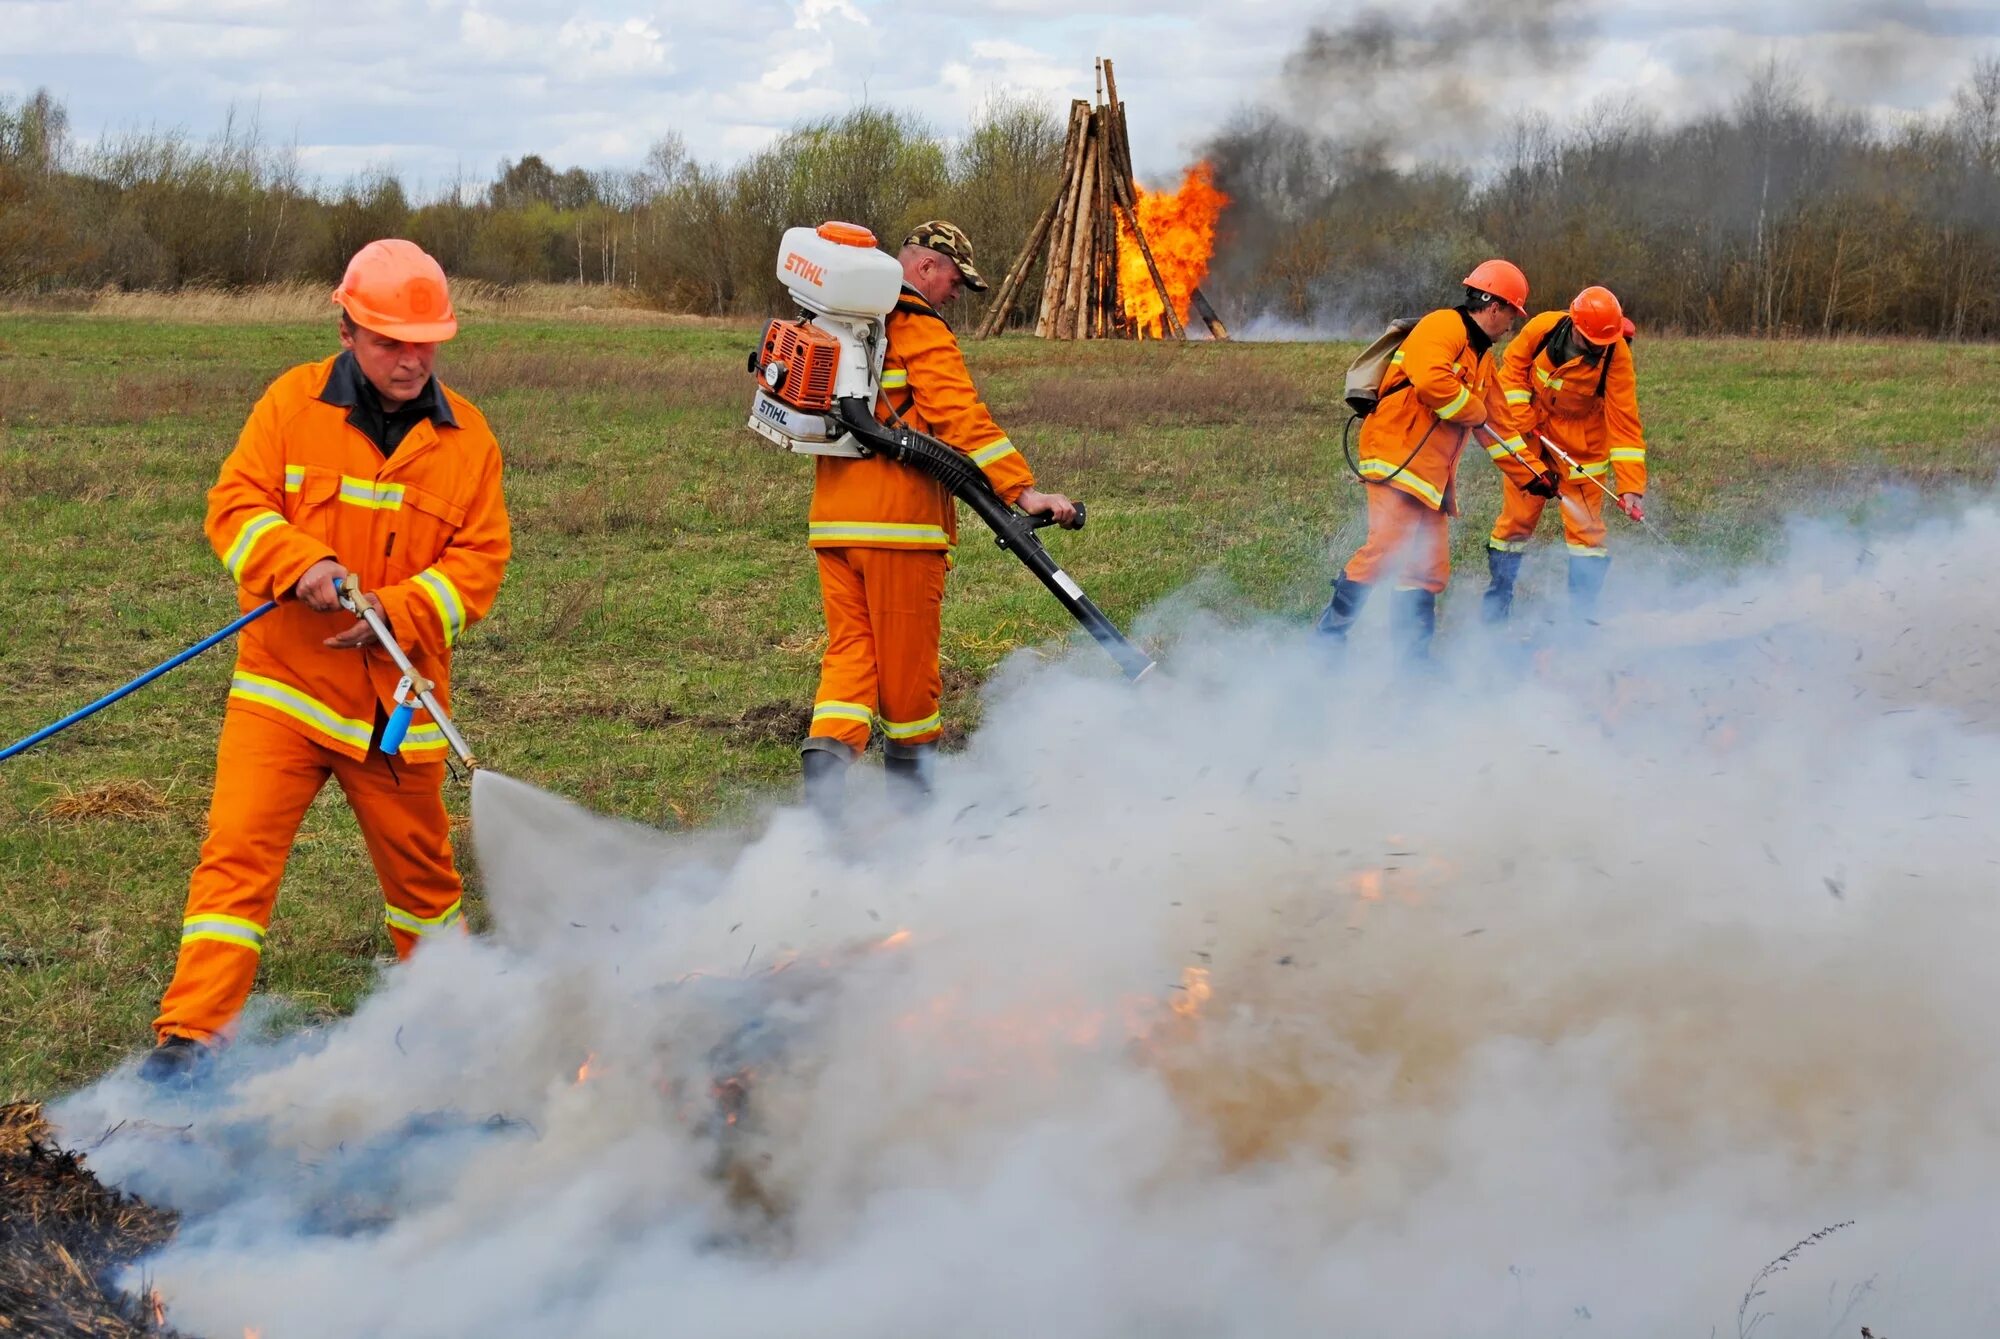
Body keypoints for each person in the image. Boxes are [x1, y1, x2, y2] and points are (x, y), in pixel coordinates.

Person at [141, 239, 510, 1082]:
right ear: (347, 331)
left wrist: (404, 610)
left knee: (425, 886)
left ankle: (453, 1036)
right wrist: (299, 563)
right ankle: (192, 1040)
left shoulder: (469, 442)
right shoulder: (290, 406)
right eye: (392, 341)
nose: (413, 358)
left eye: (426, 341)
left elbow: (479, 563)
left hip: (398, 705)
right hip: (285, 691)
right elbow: (234, 505)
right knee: (235, 860)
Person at [800, 220, 1077, 811]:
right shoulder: (916, 324)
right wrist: (1024, 492)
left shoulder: (843, 319)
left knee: (852, 655)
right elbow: (959, 416)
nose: (956, 294)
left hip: (834, 524)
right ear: (925, 268)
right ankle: (915, 810)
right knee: (908, 676)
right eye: (955, 281)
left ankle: (823, 783)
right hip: (898, 529)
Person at [1315, 260, 1529, 660]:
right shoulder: (1443, 326)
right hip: (1396, 453)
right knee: (1387, 547)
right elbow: (1432, 382)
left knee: (1428, 568)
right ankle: (1327, 642)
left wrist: (1533, 476)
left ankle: (1412, 661)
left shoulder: (1483, 359)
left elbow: (1498, 425)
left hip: (1429, 474)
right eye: (1512, 315)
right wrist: (1475, 410)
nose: (1512, 326)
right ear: (1493, 306)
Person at [1479, 285, 1647, 625]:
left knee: (1587, 534)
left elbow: (1624, 420)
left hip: (1582, 445)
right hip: (1531, 436)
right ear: (1575, 325)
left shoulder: (1615, 355)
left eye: (1604, 343)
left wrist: (1631, 484)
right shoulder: (1542, 329)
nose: (1599, 349)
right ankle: (1497, 606)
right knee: (1515, 521)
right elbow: (1510, 371)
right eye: (1592, 342)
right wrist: (1521, 417)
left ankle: (1580, 620)